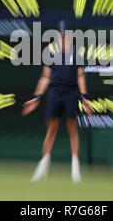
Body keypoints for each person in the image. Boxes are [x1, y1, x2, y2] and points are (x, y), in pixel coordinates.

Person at [22, 20, 92, 183]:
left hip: (71, 93)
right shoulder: (50, 53)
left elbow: (80, 76)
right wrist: (36, 98)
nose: (62, 37)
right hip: (55, 93)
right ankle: (44, 166)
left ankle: (75, 168)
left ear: (69, 36)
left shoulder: (77, 54)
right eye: (60, 35)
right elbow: (45, 77)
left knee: (72, 129)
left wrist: (85, 98)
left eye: (64, 34)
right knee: (51, 129)